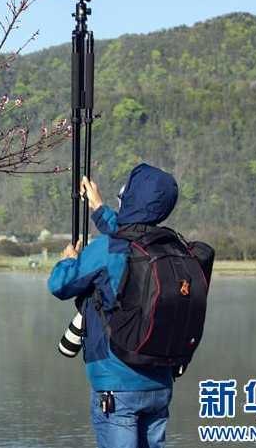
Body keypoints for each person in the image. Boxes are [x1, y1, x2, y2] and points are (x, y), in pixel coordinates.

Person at [49, 163, 179, 448]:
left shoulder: (107, 248)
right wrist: (98, 208)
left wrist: (69, 259)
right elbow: (129, 234)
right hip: (160, 382)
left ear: (130, 200)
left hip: (116, 384)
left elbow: (60, 285)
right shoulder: (171, 248)